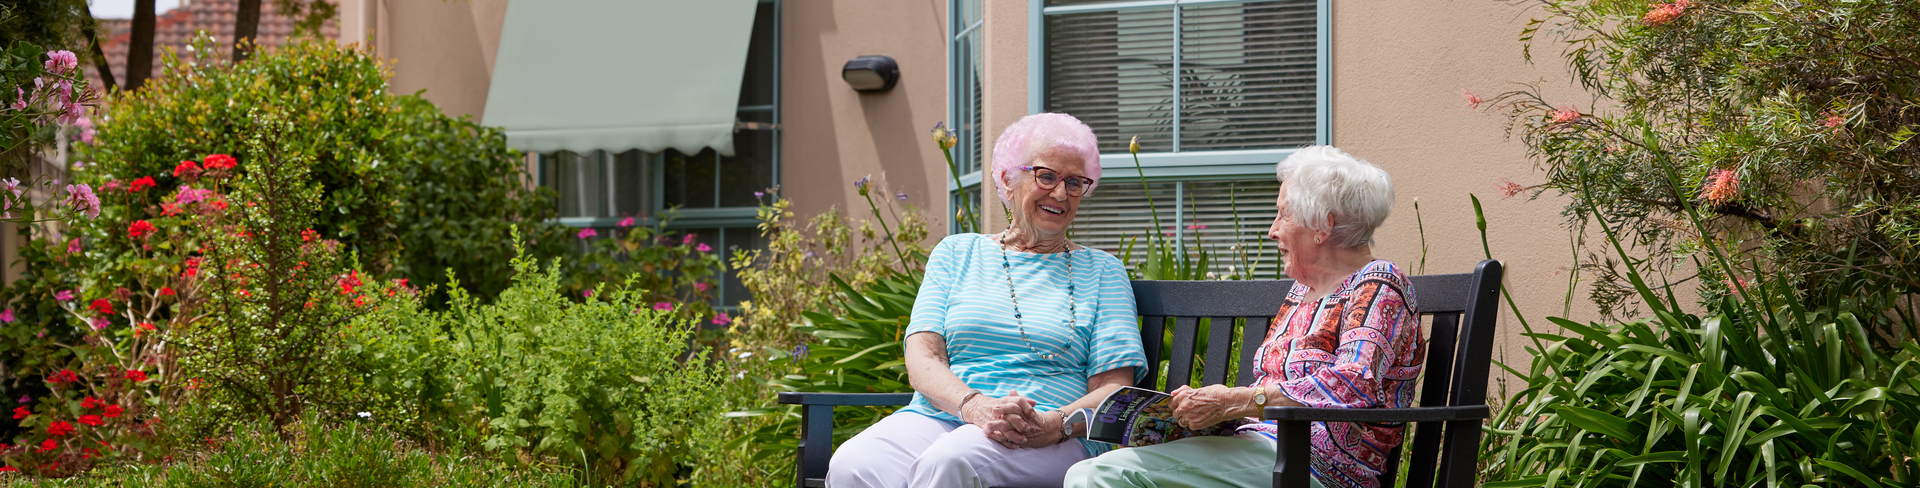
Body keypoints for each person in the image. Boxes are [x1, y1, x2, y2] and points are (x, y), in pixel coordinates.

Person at [1063, 146, 1422, 488]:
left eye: (1284, 213)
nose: (1273, 230)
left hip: (1317, 466)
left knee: (1098, 477)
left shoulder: (1377, 284)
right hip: (1260, 449)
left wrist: (1232, 401)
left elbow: (1353, 384)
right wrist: (1204, 410)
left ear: (1322, 227)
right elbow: (1275, 389)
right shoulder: (1302, 291)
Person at [827, 113, 1147, 488]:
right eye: (1046, 176)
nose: (1060, 193)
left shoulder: (1102, 271)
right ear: (1009, 179)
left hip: (1048, 432)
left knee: (953, 461)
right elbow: (922, 356)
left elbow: (1113, 389)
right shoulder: (956, 253)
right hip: (945, 415)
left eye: (1074, 182)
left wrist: (1054, 424)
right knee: (854, 463)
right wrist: (974, 406)